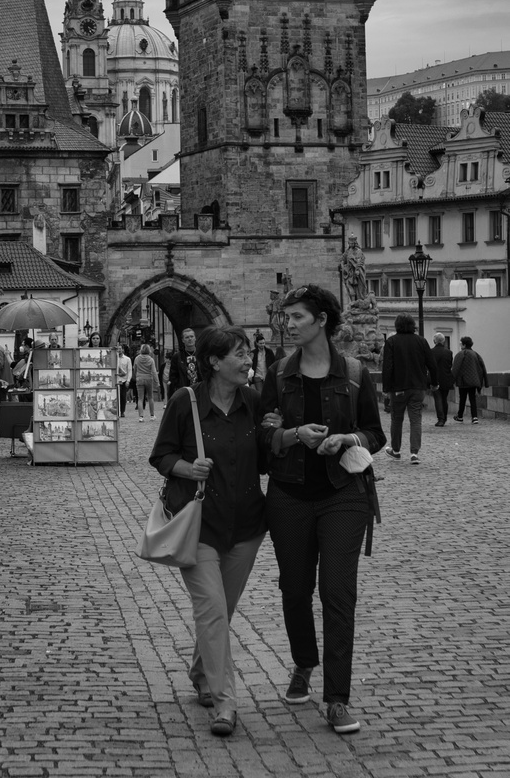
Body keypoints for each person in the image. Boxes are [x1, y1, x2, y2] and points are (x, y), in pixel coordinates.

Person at [259, 284, 386, 736]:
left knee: (337, 593)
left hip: (342, 494)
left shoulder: (353, 372)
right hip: (290, 492)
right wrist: (295, 435)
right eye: (285, 317)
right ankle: (303, 663)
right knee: (294, 589)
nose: (287, 324)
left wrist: (349, 439)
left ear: (321, 321)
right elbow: (264, 432)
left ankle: (337, 699)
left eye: (295, 317)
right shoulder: (276, 373)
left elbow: (375, 433)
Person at [150, 326, 267, 737]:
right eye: (239, 353)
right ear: (214, 362)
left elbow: (268, 456)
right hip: (199, 526)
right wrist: (188, 467)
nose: (248, 359)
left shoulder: (254, 402)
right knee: (213, 610)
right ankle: (225, 702)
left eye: (248, 352)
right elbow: (160, 455)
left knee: (221, 611)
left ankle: (201, 671)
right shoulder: (186, 402)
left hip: (248, 526)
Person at [382, 313, 438, 464]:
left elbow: (387, 366)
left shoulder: (391, 341)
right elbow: (432, 364)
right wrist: (434, 382)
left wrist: (386, 388)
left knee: (397, 418)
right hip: (418, 386)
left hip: (398, 387)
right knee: (415, 420)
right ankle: (414, 453)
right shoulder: (421, 341)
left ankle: (396, 450)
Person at [452, 337, 488, 424]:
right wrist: (484, 382)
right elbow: (482, 368)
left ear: (464, 345)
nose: (460, 345)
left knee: (462, 399)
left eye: (461, 344)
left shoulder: (460, 354)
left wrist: (452, 380)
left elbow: (455, 368)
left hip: (463, 381)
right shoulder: (476, 354)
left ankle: (460, 416)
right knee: (472, 399)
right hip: (473, 381)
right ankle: (474, 417)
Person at [168, 327, 199, 398]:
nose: (190, 339)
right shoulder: (177, 357)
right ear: (183, 340)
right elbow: (173, 376)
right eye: (187, 337)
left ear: (195, 338)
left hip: (199, 391)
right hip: (184, 392)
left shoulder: (201, 354)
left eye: (191, 336)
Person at [431, 333, 454, 427]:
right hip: (446, 378)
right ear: (443, 341)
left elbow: (430, 366)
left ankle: (440, 419)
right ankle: (444, 417)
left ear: (435, 341)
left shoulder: (431, 351)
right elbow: (450, 365)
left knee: (438, 399)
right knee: (444, 399)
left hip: (435, 378)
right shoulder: (449, 352)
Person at [133, 343, 160, 421]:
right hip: (149, 378)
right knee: (150, 397)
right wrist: (157, 382)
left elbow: (135, 368)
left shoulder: (137, 358)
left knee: (140, 398)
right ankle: (152, 415)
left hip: (139, 378)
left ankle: (141, 417)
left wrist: (136, 375)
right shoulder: (151, 359)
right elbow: (154, 371)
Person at [339, 234, 368, 302]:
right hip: (349, 273)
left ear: (355, 243)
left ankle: (359, 300)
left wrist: (357, 269)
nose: (351, 244)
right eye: (350, 243)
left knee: (360, 287)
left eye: (352, 243)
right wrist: (343, 266)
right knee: (349, 287)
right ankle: (353, 302)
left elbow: (360, 261)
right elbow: (343, 260)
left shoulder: (358, 251)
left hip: (357, 273)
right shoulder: (347, 251)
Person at [250, 332, 275, 397]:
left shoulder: (269, 352)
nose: (262, 345)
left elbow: (273, 362)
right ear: (257, 343)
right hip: (257, 376)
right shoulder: (253, 353)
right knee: (260, 394)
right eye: (260, 343)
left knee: (268, 393)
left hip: (267, 375)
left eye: (263, 343)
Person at [115, 344, 133, 417]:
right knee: (116, 397)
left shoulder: (127, 359)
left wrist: (128, 380)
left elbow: (129, 370)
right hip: (116, 380)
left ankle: (122, 411)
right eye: (117, 349)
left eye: (120, 349)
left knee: (123, 396)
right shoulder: (114, 358)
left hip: (124, 380)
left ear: (123, 350)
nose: (119, 350)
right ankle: (117, 411)